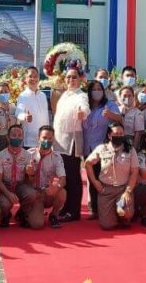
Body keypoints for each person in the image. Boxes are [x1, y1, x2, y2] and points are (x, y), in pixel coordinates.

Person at [85, 122, 139, 230]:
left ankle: (122, 214)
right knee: (107, 226)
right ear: (109, 135)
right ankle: (115, 214)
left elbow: (135, 171)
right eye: (116, 133)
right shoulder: (102, 148)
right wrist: (95, 182)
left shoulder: (130, 150)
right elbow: (87, 163)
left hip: (122, 190)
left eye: (121, 133)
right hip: (106, 191)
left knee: (125, 212)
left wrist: (128, 191)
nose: (119, 136)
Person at [52, 67, 90, 222]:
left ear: (80, 79)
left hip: (72, 140)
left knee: (73, 176)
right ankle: (66, 208)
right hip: (59, 140)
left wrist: (83, 113)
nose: (71, 80)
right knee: (64, 176)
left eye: (74, 77)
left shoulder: (81, 95)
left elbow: (84, 107)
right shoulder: (64, 95)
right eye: (68, 77)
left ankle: (74, 211)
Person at [83, 79, 122, 219]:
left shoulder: (109, 104)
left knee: (103, 178)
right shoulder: (85, 105)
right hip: (87, 147)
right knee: (92, 179)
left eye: (99, 89)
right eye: (94, 89)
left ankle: (106, 209)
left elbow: (120, 118)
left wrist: (110, 115)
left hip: (103, 149)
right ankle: (94, 209)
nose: (97, 92)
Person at [25, 125, 67, 228]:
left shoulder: (57, 157)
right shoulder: (28, 154)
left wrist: (56, 188)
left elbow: (63, 178)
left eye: (50, 138)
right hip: (33, 195)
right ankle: (24, 211)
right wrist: (29, 173)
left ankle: (54, 215)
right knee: (37, 224)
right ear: (38, 138)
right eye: (44, 138)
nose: (47, 141)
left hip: (47, 193)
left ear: (53, 139)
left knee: (62, 192)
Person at [0, 124, 35, 227]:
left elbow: (31, 179)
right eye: (14, 135)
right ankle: (6, 215)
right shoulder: (0, 156)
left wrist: (31, 173)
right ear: (8, 137)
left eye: (20, 135)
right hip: (5, 186)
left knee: (32, 194)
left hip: (20, 185)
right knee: (4, 205)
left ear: (23, 137)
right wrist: (8, 194)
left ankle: (22, 214)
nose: (17, 137)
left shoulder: (28, 156)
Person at [15, 66, 50, 149]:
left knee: (44, 161)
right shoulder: (23, 96)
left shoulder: (43, 95)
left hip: (44, 140)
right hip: (29, 141)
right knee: (31, 162)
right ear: (25, 79)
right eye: (30, 76)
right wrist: (25, 117)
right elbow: (18, 113)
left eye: (35, 76)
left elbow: (46, 117)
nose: (33, 79)